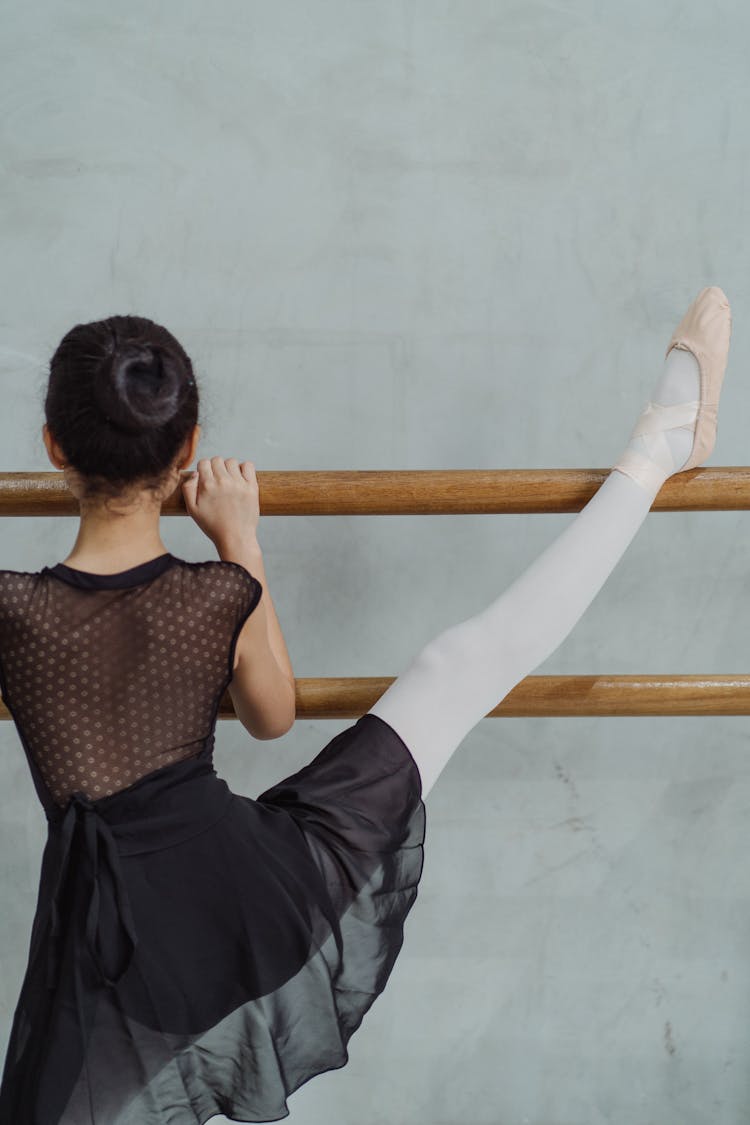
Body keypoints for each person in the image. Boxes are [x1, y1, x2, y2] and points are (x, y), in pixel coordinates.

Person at [0, 287, 731, 1124]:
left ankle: (662, 443)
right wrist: (242, 543)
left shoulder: (13, 609)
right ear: (189, 451)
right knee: (458, 665)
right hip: (242, 910)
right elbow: (273, 714)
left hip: (104, 950)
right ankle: (656, 449)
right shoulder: (213, 595)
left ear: (53, 446)